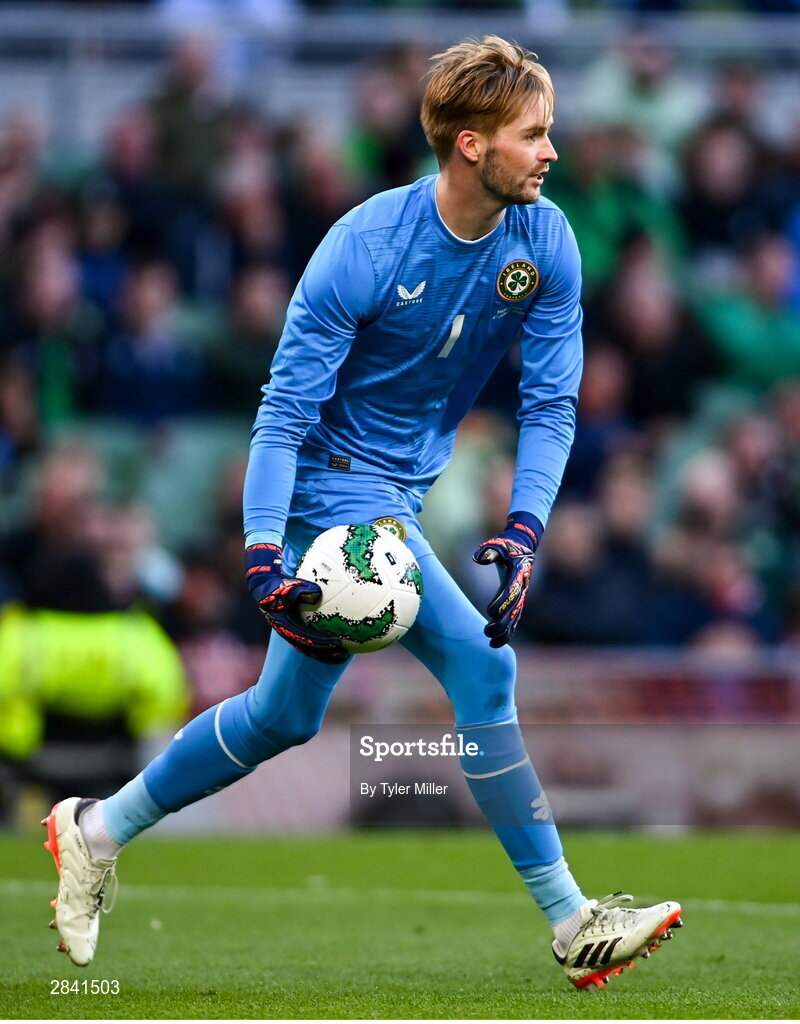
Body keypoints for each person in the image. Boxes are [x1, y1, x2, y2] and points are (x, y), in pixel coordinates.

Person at [42, 36, 682, 990]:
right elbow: (283, 415)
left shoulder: (545, 241)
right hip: (320, 491)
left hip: (394, 496)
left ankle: (94, 829)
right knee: (481, 670)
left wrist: (527, 526)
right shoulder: (363, 248)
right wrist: (263, 550)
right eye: (533, 133)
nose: (553, 151)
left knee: (281, 718)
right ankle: (572, 921)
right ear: (471, 145)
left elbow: (551, 405)